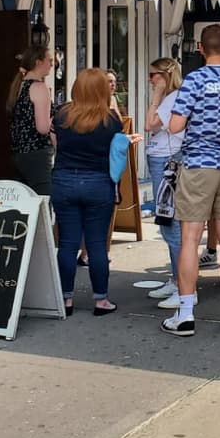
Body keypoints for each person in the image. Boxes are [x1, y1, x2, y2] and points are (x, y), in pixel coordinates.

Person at [163, 24, 220, 336]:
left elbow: (175, 126)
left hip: (199, 164)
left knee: (190, 238)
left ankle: (186, 312)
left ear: (200, 48)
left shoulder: (194, 80)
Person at [52, 69, 141, 316]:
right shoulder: (111, 119)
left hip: (65, 180)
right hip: (98, 183)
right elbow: (115, 150)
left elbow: (56, 145)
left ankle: (65, 299)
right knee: (97, 244)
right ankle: (101, 300)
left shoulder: (62, 116)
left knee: (68, 243)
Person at [144, 58, 185, 308]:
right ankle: (177, 279)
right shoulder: (174, 97)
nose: (150, 80)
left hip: (167, 159)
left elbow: (150, 124)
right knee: (168, 221)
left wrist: (157, 95)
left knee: (171, 223)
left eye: (153, 76)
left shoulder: (171, 98)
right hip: (164, 157)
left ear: (165, 76)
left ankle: (183, 285)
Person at [8, 46, 54, 196]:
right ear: (38, 62)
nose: (52, 64)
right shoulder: (40, 87)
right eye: (50, 60)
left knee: (24, 202)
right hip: (37, 151)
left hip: (18, 152)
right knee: (43, 199)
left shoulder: (19, 86)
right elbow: (43, 128)